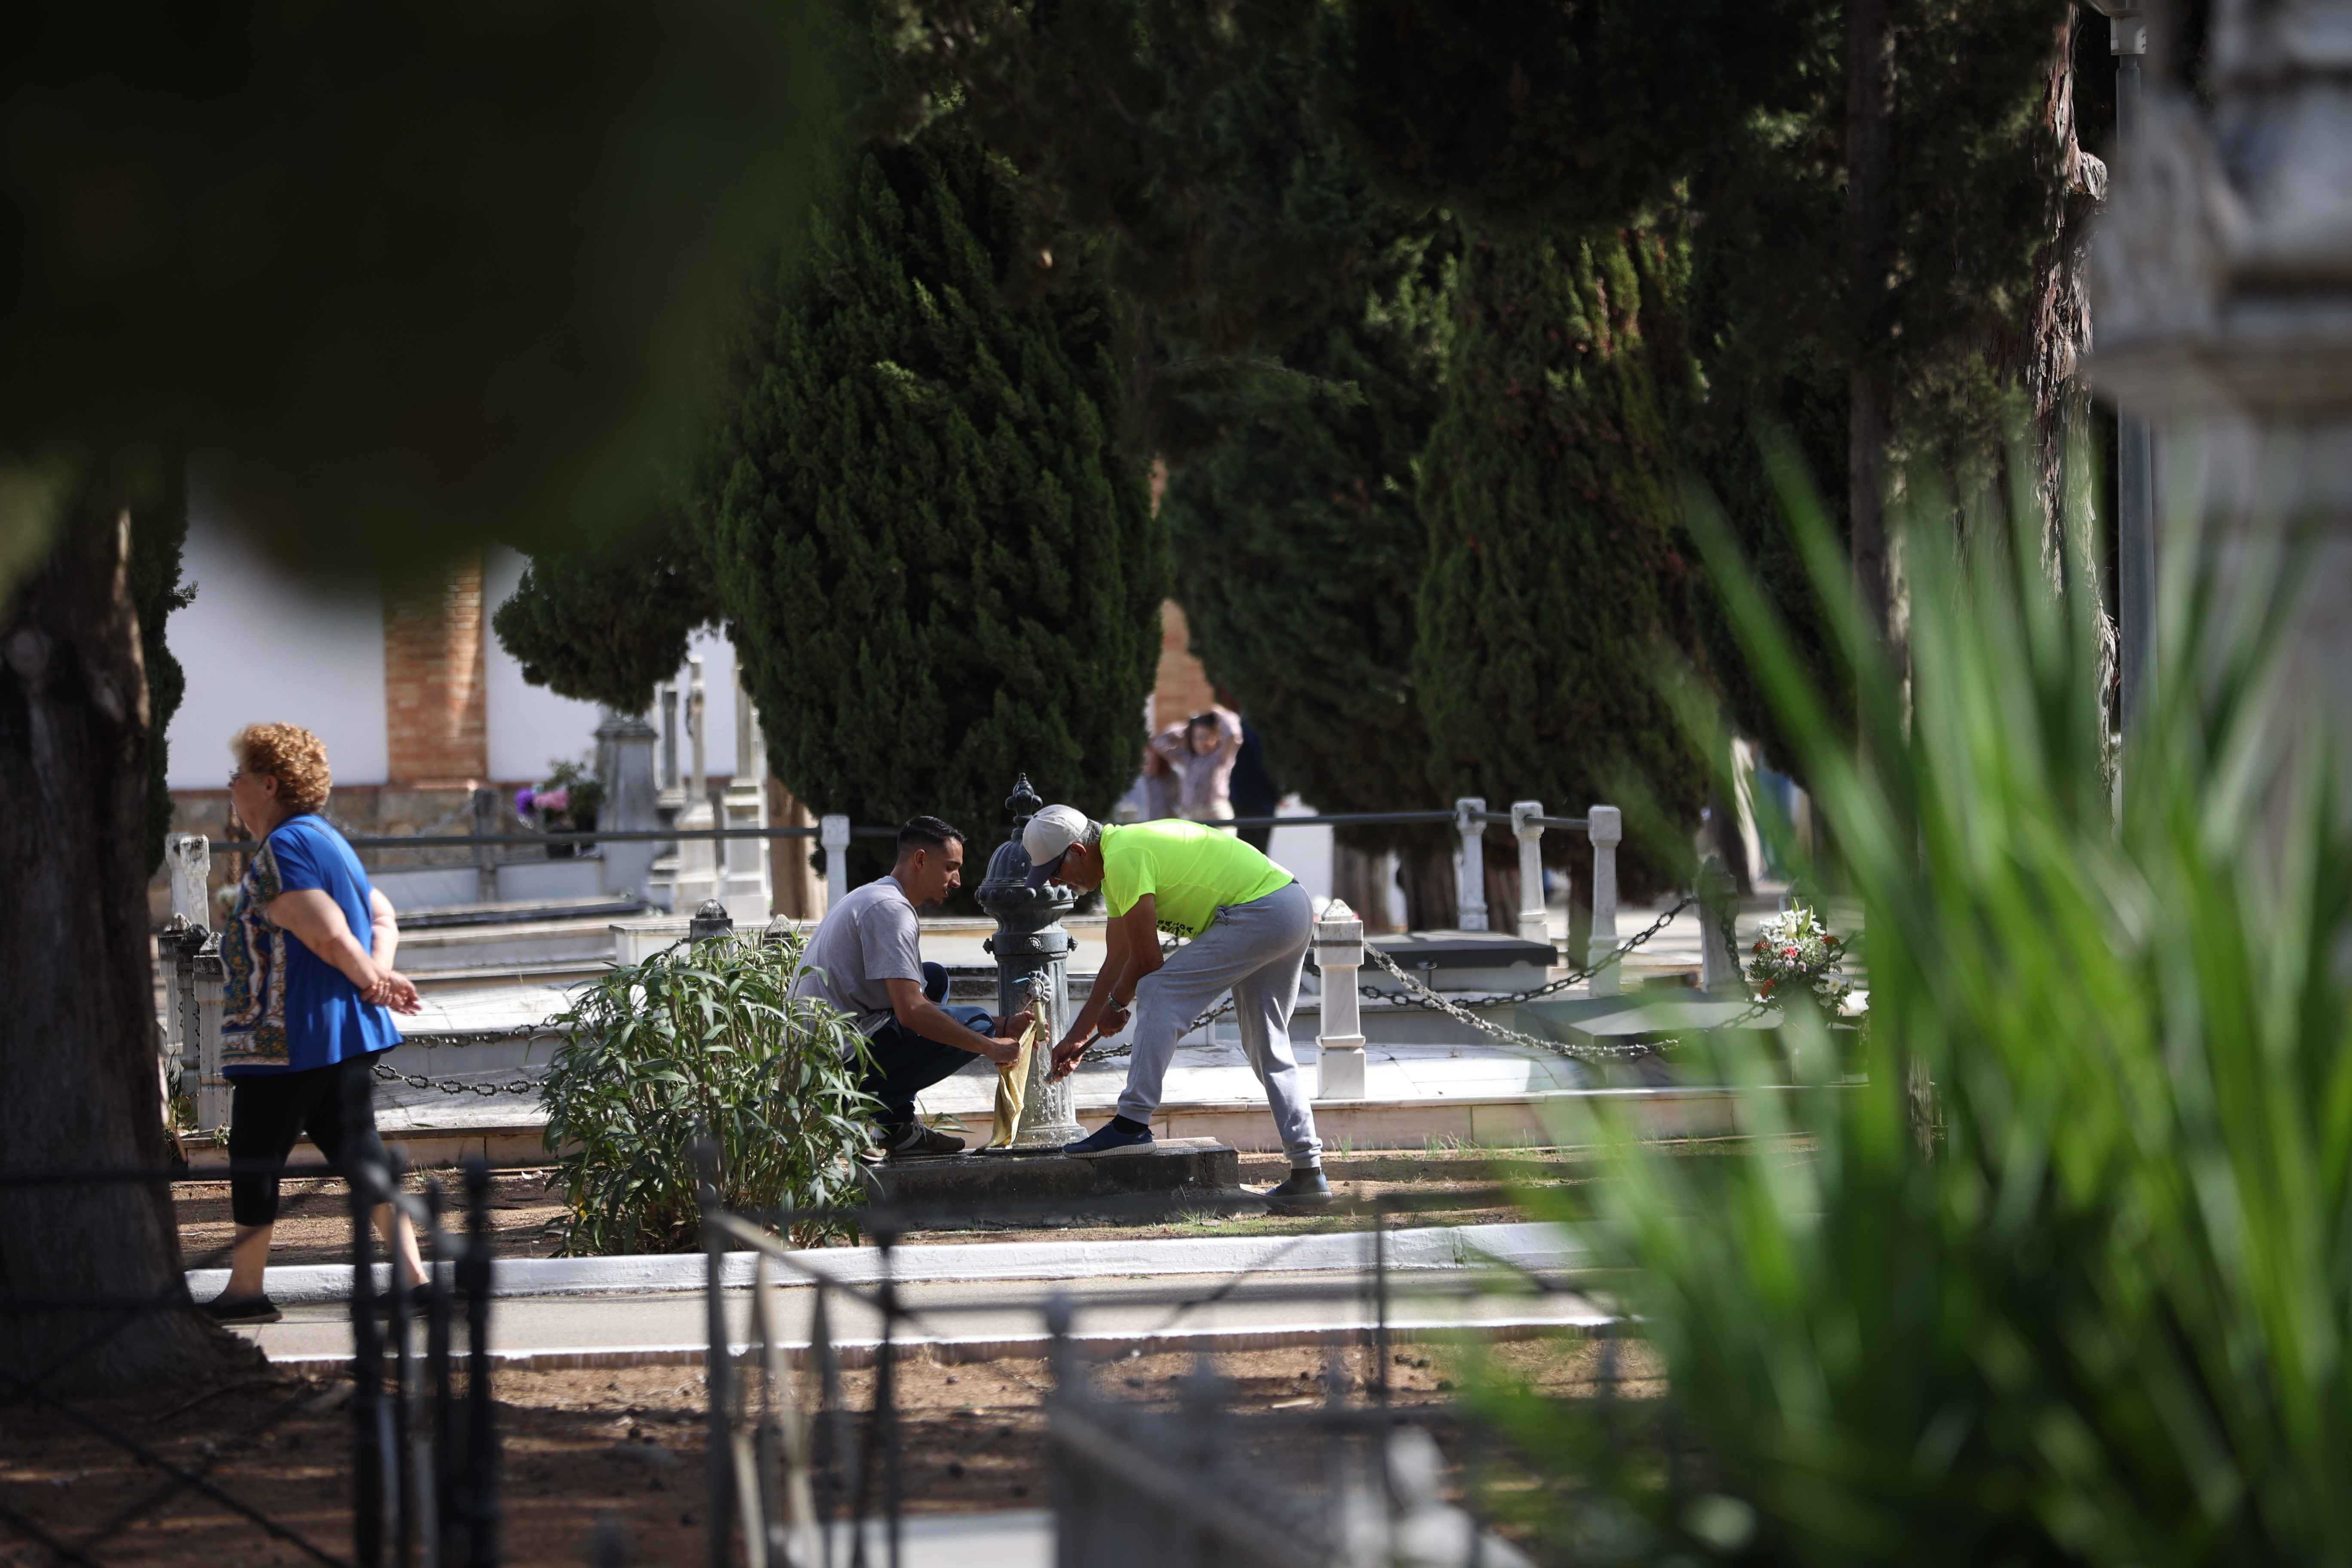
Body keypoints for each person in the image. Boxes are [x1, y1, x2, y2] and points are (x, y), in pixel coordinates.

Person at [205, 723, 428, 1325]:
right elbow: (380, 914)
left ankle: (246, 1291)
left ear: (269, 784)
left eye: (238, 775)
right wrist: (377, 976)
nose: (231, 787)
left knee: (255, 1156)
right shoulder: (328, 840)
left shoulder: (285, 847)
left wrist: (372, 979)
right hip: (338, 1036)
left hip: (290, 1040)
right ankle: (414, 1281)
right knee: (362, 1157)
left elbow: (326, 930)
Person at [1025, 805, 1332, 1211]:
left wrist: (1118, 1004)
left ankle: (1132, 1122)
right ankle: (1308, 1172)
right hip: (1288, 906)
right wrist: (1078, 1036)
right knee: (1267, 1046)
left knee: (1159, 990)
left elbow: (1148, 961)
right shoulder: (1119, 861)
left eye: (1054, 870)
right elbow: (1118, 961)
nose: (1056, 882)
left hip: (1264, 909)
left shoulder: (1124, 857)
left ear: (1079, 851)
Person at [792, 816, 1033, 1158]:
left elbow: (915, 1002)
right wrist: (991, 1046)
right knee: (976, 1024)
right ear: (920, 860)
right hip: (832, 1072)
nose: (957, 881)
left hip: (830, 1053)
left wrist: (1004, 1025)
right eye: (950, 867)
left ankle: (898, 1131)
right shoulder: (892, 911)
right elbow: (913, 1014)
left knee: (933, 979)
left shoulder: (877, 895)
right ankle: (853, 1115)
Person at [1148, 706, 1242, 824]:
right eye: (1197, 738)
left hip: (1215, 814)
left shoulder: (1221, 758)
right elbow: (1159, 743)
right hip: (1191, 816)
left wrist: (1220, 714)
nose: (1202, 742)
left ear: (1217, 737)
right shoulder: (1187, 758)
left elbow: (1233, 735)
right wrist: (1187, 728)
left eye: (1207, 737)